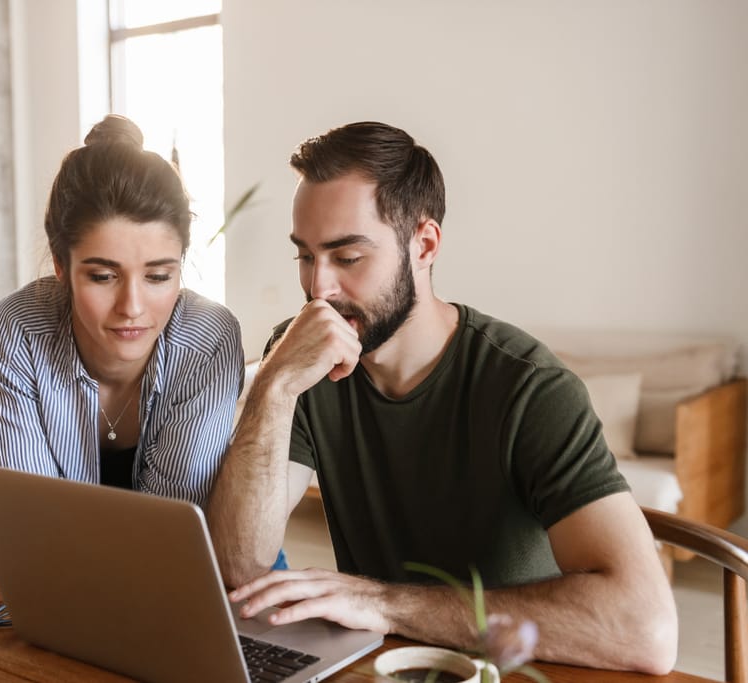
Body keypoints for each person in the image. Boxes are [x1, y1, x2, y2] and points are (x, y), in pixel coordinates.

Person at [206, 121, 678, 674]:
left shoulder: (530, 388)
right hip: (388, 668)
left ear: (424, 244)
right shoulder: (303, 360)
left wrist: (382, 602)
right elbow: (238, 565)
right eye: (305, 257)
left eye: (348, 257)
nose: (319, 289)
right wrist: (275, 383)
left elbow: (646, 628)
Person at [0, 114, 245, 579]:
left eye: (157, 276)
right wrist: (22, 544)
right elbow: (33, 516)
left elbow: (164, 540)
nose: (132, 306)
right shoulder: (23, 328)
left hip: (201, 580)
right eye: (103, 276)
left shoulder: (208, 341)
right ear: (60, 266)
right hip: (68, 585)